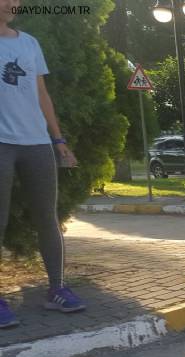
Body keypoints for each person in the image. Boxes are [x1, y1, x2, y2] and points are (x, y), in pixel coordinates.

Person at [0, 0, 85, 329]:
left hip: (36, 143)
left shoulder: (29, 43)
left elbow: (41, 94)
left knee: (48, 218)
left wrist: (59, 140)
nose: (13, 3)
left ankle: (57, 289)